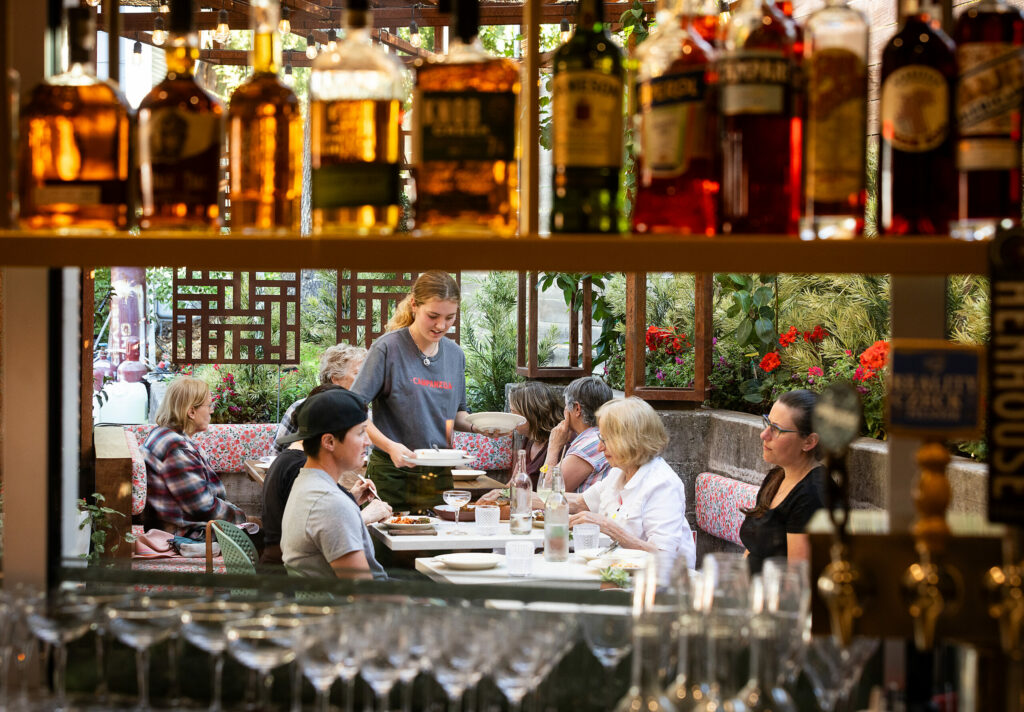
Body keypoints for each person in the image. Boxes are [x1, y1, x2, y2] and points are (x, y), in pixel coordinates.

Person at [350, 270, 489, 512]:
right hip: (392, 473)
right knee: (386, 547)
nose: (441, 325)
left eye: (450, 318)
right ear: (414, 305)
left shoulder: (455, 355)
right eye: (433, 316)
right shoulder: (387, 348)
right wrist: (391, 447)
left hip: (439, 476)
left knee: (438, 548)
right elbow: (352, 410)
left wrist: (483, 426)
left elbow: (456, 414)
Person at [261, 384, 392, 566]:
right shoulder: (327, 500)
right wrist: (359, 513)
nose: (368, 442)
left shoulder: (305, 478)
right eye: (361, 432)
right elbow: (362, 591)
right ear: (329, 441)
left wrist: (350, 500)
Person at [558, 397, 695, 569]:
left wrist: (609, 528)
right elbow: (580, 503)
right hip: (615, 571)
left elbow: (665, 557)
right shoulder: (619, 472)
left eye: (605, 440)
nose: (600, 448)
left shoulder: (662, 484)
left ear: (629, 441)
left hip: (657, 583)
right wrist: (523, 497)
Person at [141, 376, 246, 539]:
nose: (212, 410)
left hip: (181, 527)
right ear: (191, 411)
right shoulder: (175, 448)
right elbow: (203, 507)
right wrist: (244, 518)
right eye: (209, 405)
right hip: (184, 534)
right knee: (268, 537)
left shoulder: (164, 434)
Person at [739, 389, 826, 575]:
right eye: (767, 423)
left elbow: (796, 581)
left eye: (776, 429)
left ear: (809, 442)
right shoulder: (776, 477)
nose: (764, 435)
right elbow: (753, 549)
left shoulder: (811, 496)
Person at [273, 343, 367, 453]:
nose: (366, 379)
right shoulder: (302, 408)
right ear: (335, 378)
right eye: (358, 374)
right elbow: (277, 456)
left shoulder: (365, 413)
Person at [541, 375, 614, 493]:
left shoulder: (590, 443)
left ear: (577, 409)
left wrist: (553, 447)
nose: (565, 411)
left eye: (566, 406)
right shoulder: (599, 436)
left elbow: (548, 492)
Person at [508, 381, 564, 487]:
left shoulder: (558, 444)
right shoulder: (530, 437)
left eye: (514, 412)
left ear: (532, 413)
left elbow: (550, 489)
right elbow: (512, 484)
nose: (511, 417)